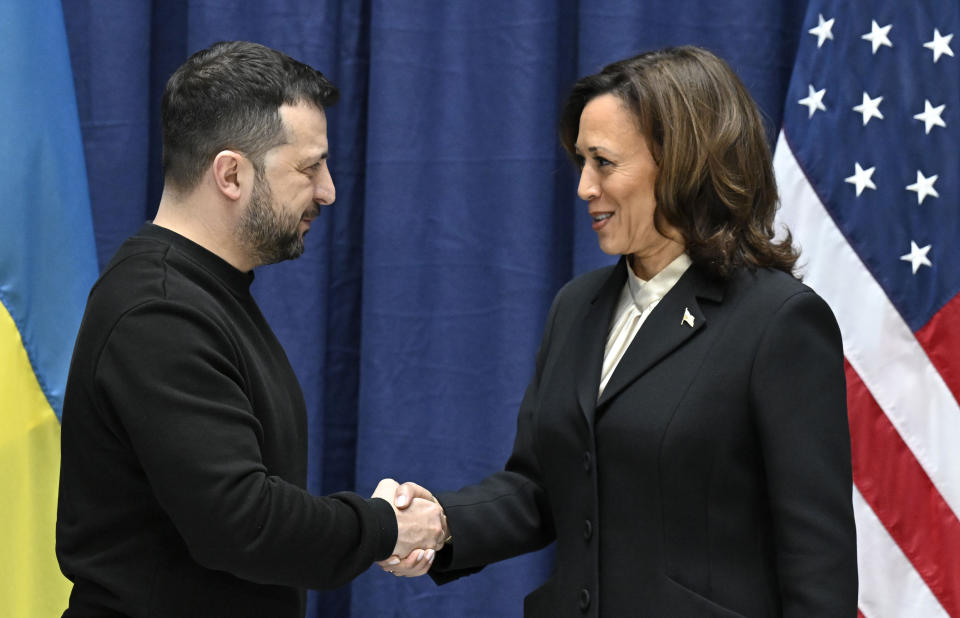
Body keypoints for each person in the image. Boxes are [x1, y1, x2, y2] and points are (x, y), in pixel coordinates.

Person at [383, 46, 858, 616]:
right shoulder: (577, 305)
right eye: (581, 162)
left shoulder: (778, 321)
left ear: (682, 161)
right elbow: (541, 488)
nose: (584, 186)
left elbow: (816, 561)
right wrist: (440, 524)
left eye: (604, 162)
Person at [56, 41, 447, 618]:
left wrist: (379, 527)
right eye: (309, 167)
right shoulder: (159, 311)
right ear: (231, 174)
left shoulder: (204, 293)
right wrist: (384, 527)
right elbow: (243, 524)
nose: (328, 190)